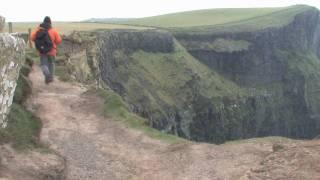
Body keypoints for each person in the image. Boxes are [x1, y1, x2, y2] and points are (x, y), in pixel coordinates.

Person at [31, 16, 62, 84]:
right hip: (52, 51)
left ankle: (47, 77)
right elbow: (59, 40)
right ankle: (50, 77)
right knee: (51, 64)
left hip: (42, 51)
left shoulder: (39, 30)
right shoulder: (53, 31)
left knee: (44, 65)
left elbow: (32, 37)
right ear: (50, 23)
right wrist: (53, 43)